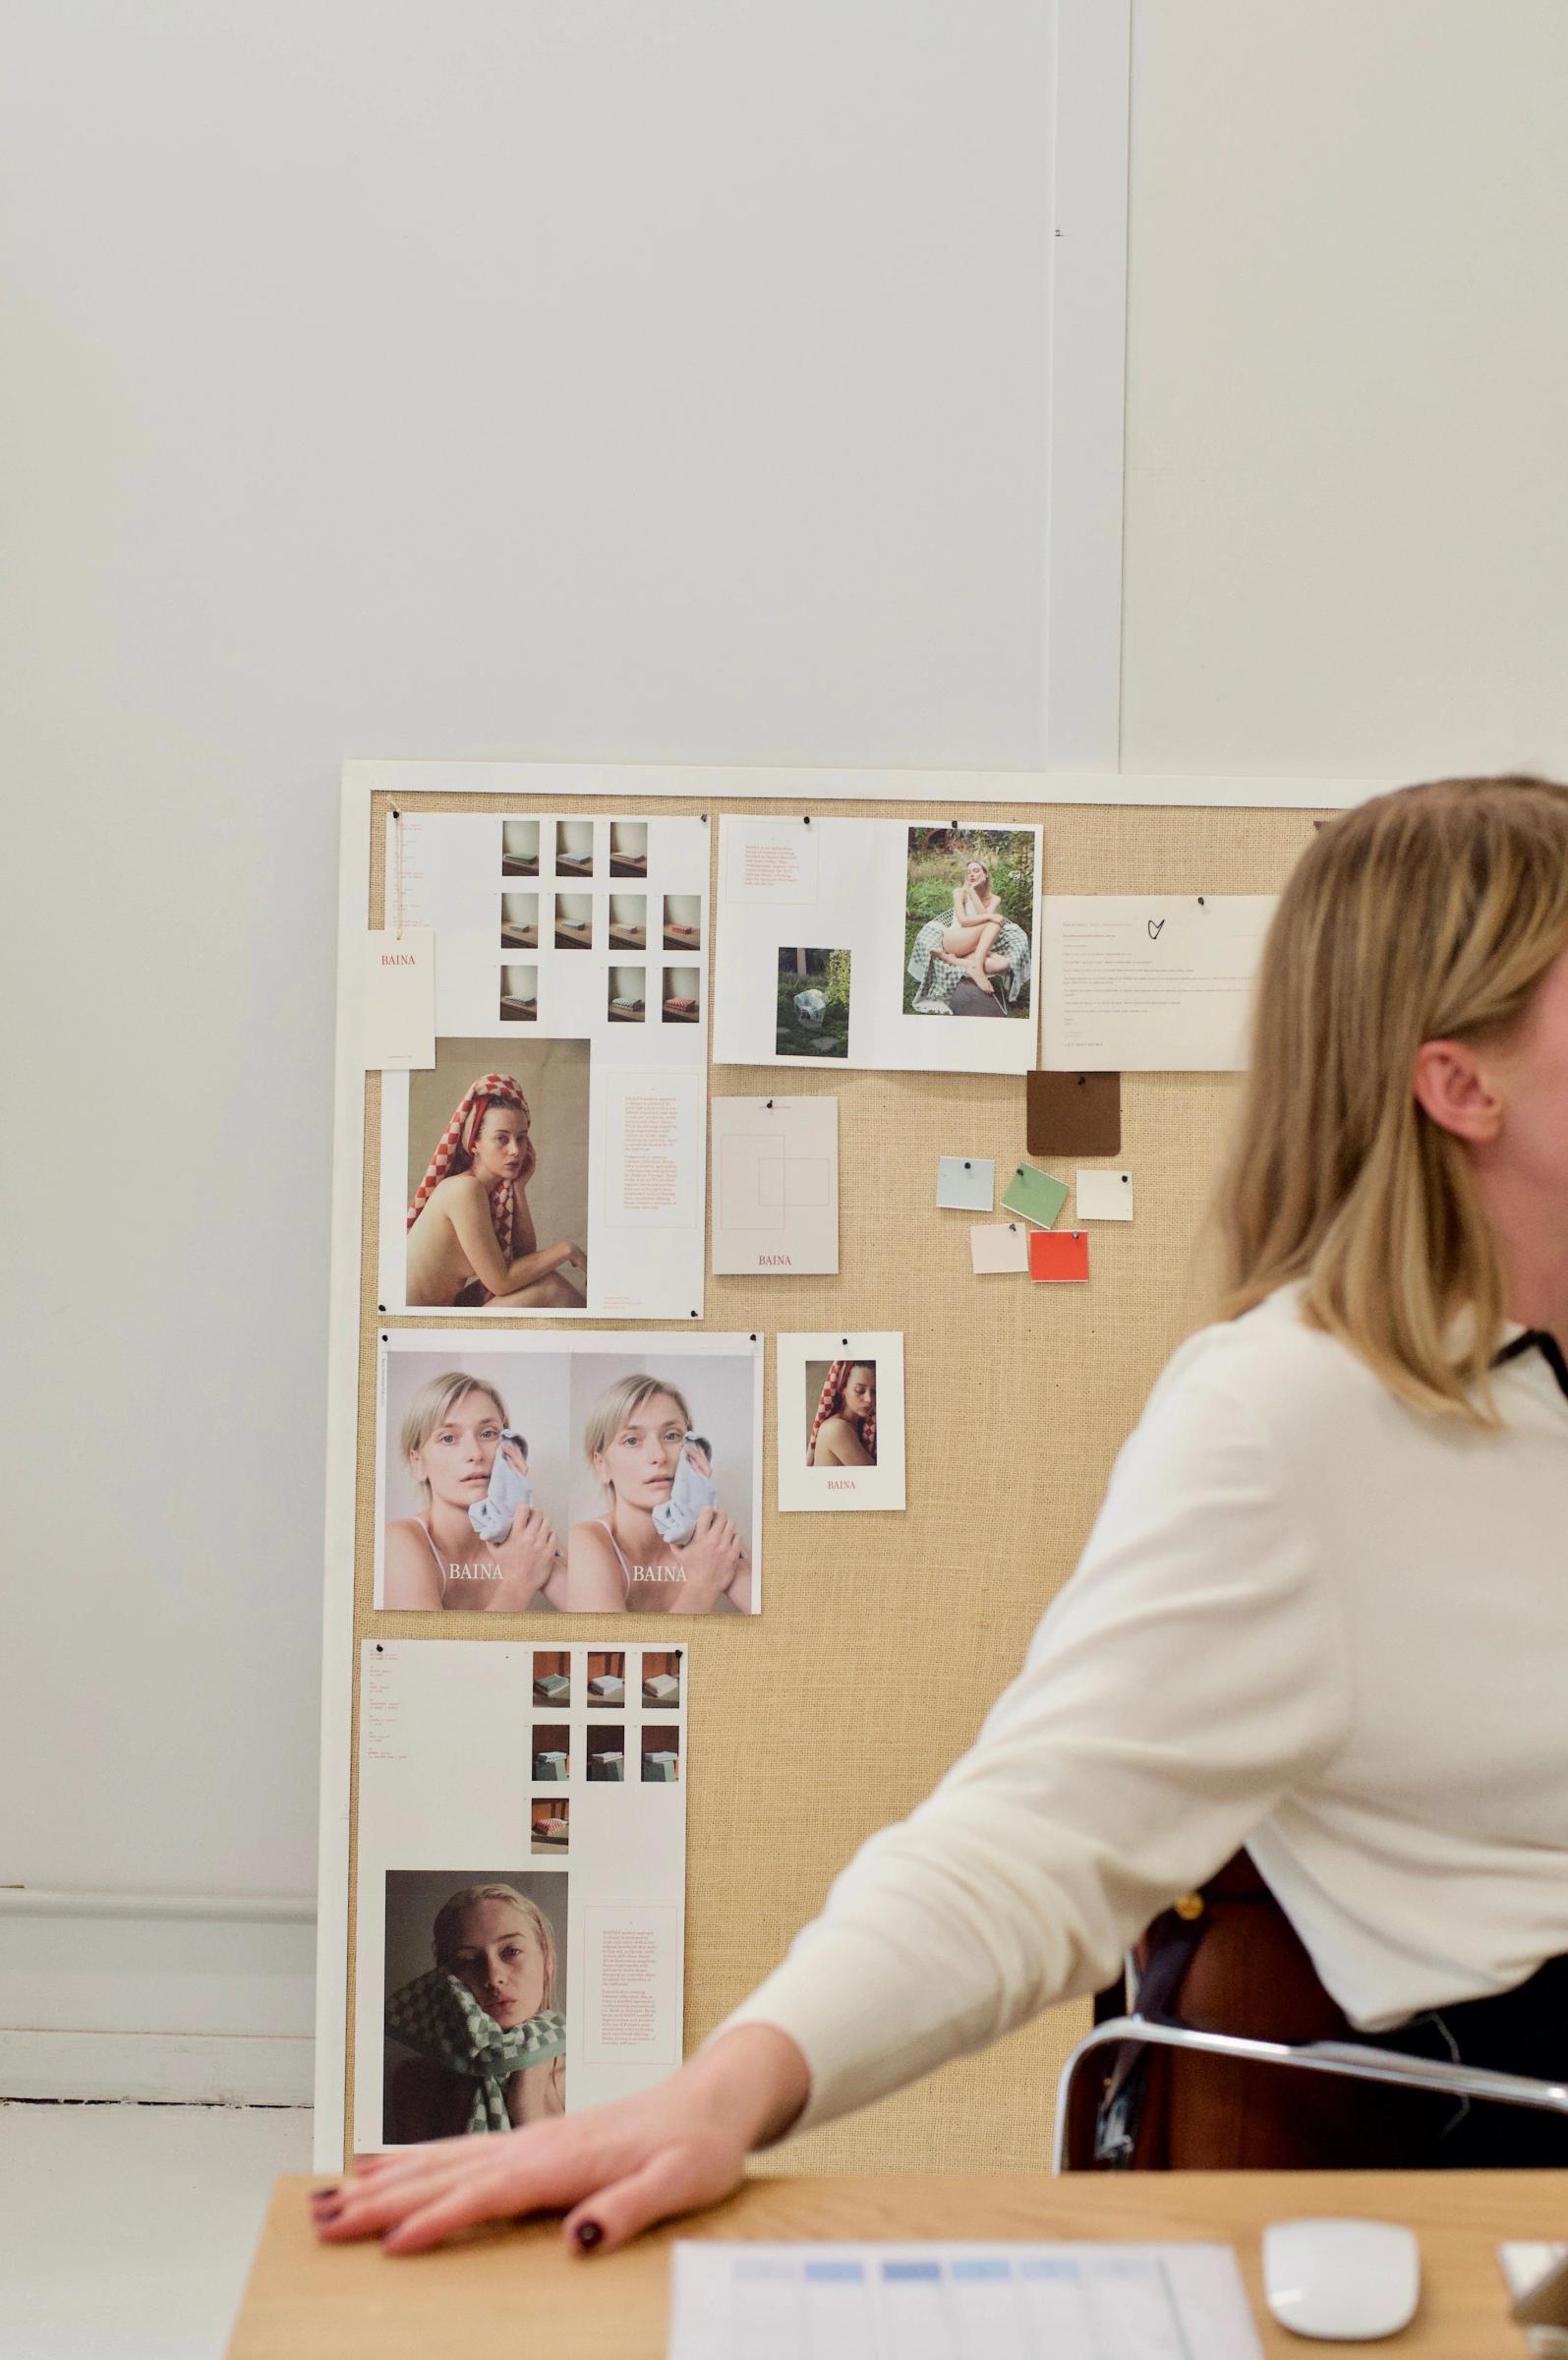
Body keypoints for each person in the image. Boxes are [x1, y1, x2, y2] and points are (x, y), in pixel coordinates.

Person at [318, 774, 1568, 2256]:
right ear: (1458, 1084)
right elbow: (1025, 1841)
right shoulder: (1290, 1416)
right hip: (1489, 2157)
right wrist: (718, 2094)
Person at [384, 1885, 566, 2143]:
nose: (493, 1978)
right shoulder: (418, 2082)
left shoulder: (587, 2071)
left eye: (511, 1951)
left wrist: (528, 2106)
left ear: (546, 1960)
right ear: (447, 1978)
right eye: (468, 1960)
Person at [565, 1375, 752, 1614]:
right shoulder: (586, 1543)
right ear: (602, 1465)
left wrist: (699, 1507)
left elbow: (783, 1621)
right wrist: (703, 1581)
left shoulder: (709, 1537)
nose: (659, 1456)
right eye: (632, 1440)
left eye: (671, 1436)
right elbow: (618, 1652)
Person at [383, 1373, 565, 1611]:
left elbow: (596, 1622)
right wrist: (519, 1580)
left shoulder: (523, 1539)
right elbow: (435, 1649)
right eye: (448, 1438)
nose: (475, 1453)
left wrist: (516, 1503)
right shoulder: (398, 1542)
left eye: (488, 1434)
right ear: (419, 1463)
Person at [405, 1074, 587, 1309]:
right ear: (474, 1143)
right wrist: (567, 1250)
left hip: (445, 1308)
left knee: (543, 1279)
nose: (515, 1151)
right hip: (416, 1320)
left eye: (521, 1139)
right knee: (553, 1289)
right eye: (502, 1138)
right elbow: (502, 1282)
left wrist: (518, 1189)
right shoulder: (464, 1189)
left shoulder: (492, 1193)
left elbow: (524, 1261)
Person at [938, 857, 1007, 993]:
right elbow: (963, 921)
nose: (971, 875)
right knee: (995, 922)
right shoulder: (959, 892)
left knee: (1003, 964)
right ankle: (975, 966)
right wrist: (990, 915)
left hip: (972, 947)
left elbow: (983, 918)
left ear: (985, 874)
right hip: (955, 939)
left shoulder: (994, 898)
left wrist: (974, 891)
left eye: (976, 871)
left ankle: (954, 960)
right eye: (969, 872)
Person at [806, 1361, 876, 1467]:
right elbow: (874, 1477)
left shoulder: (856, 1426)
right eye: (860, 1390)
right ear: (843, 1389)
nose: (869, 1399)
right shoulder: (837, 1428)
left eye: (874, 1391)